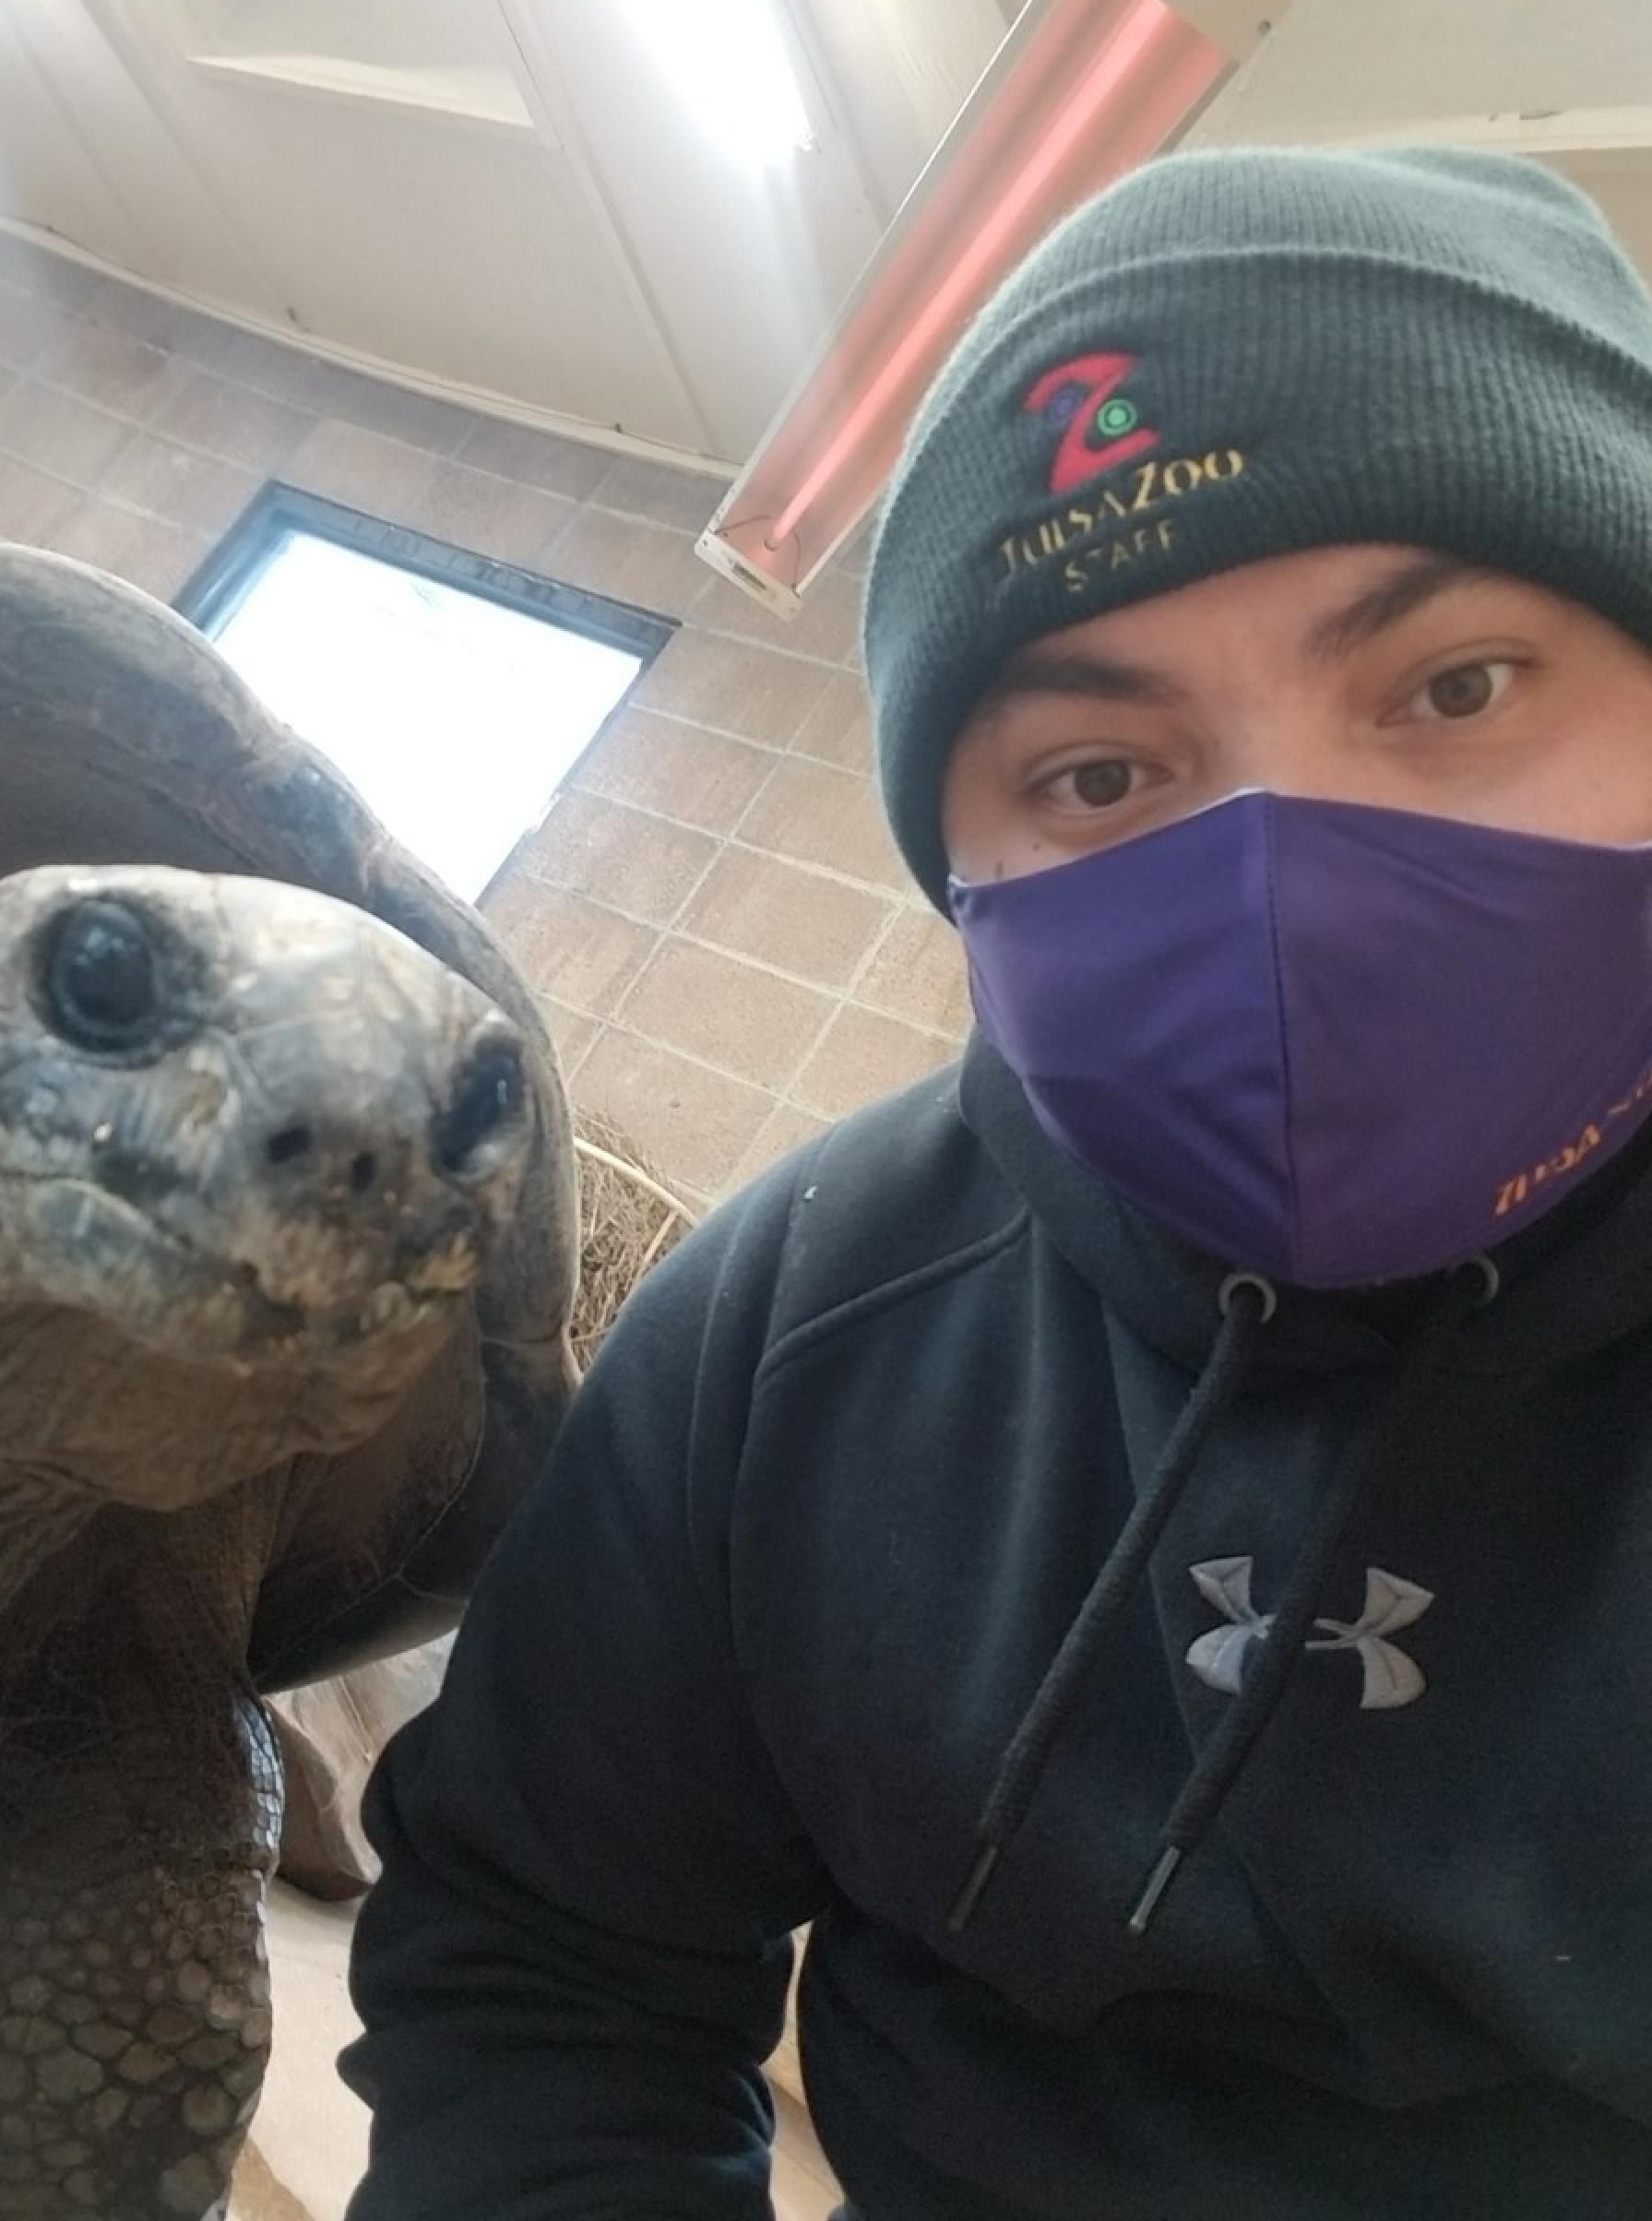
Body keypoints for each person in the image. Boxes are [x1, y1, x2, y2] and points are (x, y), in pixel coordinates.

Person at [340, 145, 1652, 2219]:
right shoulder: (791, 1325)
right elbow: (545, 1966)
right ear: (967, 879)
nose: (1293, 881)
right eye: (1103, 774)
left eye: (1455, 685)